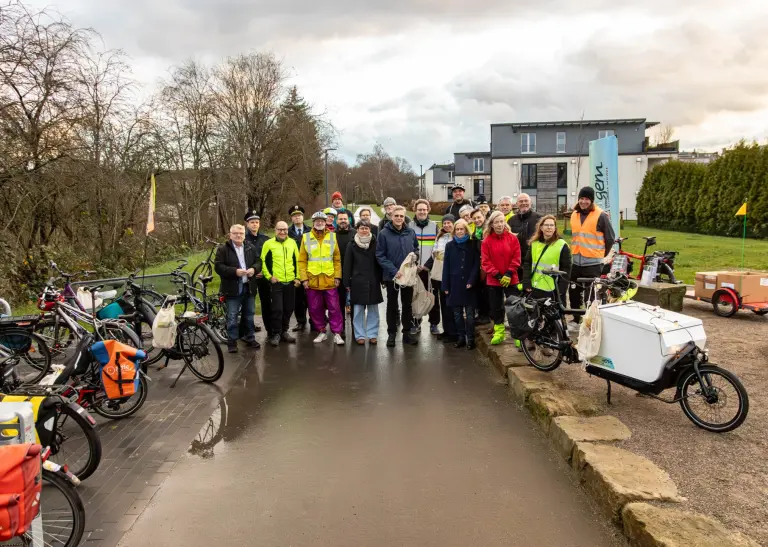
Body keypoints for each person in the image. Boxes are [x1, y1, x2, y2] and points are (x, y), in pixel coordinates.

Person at [298, 211, 345, 345]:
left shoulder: (332, 237)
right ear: (313, 223)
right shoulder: (306, 237)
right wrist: (304, 279)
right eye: (317, 221)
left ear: (326, 223)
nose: (319, 223)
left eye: (322, 221)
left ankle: (337, 333)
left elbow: (337, 259)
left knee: (334, 308)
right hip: (312, 280)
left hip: (329, 279)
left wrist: (337, 276)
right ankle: (322, 331)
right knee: (314, 308)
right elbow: (302, 260)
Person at [375, 205, 419, 347]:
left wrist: (416, 256)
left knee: (407, 305)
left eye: (401, 216)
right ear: (391, 216)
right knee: (392, 305)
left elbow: (416, 248)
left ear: (404, 217)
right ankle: (391, 334)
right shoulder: (383, 233)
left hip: (408, 276)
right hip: (392, 276)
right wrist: (394, 271)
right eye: (396, 216)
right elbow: (380, 255)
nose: (399, 218)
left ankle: (406, 333)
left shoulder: (410, 232)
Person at [215, 224, 261, 353]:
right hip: (232, 288)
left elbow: (258, 261)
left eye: (241, 233)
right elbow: (218, 267)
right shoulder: (223, 249)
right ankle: (232, 341)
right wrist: (235, 271)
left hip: (248, 287)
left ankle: (250, 338)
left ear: (244, 235)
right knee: (232, 316)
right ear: (230, 235)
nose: (238, 235)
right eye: (235, 233)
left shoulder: (250, 247)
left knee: (249, 315)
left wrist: (254, 269)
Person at [569, 187, 615, 319]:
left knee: (591, 295)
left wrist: (601, 254)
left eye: (587, 199)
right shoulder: (574, 214)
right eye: (581, 198)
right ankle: (576, 319)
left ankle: (590, 320)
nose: (584, 201)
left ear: (592, 200)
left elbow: (610, 238)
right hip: (576, 261)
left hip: (593, 263)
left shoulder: (601, 215)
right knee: (573, 292)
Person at [481, 211, 521, 345]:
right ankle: (499, 332)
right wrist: (497, 275)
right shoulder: (486, 241)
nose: (499, 224)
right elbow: (486, 262)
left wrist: (509, 273)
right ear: (491, 224)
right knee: (496, 307)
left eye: (501, 221)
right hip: (494, 280)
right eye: (496, 222)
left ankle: (517, 335)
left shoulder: (512, 238)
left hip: (511, 278)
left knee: (514, 307)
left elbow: (516, 257)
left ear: (505, 222)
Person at [260, 221, 300, 347]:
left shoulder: (292, 242)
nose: (282, 232)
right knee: (277, 309)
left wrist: (298, 277)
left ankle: (284, 332)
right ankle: (276, 333)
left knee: (289, 308)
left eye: (285, 229)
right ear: (275, 230)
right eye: (279, 229)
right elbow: (263, 261)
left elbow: (298, 261)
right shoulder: (268, 244)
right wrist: (269, 276)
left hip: (290, 281)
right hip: (277, 282)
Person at [343, 220, 383, 345]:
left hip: (373, 280)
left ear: (370, 229)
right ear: (358, 229)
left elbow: (379, 261)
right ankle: (359, 335)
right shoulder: (352, 244)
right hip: (357, 281)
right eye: (362, 228)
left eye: (366, 228)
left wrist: (382, 279)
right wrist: (346, 282)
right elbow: (347, 264)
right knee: (358, 310)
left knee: (373, 310)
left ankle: (372, 334)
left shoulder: (375, 243)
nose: (364, 230)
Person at [442, 219, 479, 350]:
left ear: (466, 230)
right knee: (457, 314)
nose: (459, 231)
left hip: (469, 284)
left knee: (469, 315)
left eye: (461, 229)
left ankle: (471, 339)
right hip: (454, 283)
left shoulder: (472, 244)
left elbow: (476, 264)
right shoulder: (450, 245)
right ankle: (461, 337)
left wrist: (471, 280)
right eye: (457, 229)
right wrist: (445, 286)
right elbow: (446, 266)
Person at [522, 215, 572, 303]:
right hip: (535, 287)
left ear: (555, 228)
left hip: (553, 289)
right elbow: (527, 263)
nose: (549, 227)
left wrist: (561, 289)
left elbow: (566, 269)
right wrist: (526, 282)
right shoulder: (534, 244)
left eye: (552, 225)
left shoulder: (562, 245)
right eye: (546, 225)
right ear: (541, 227)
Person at [408, 199, 440, 335]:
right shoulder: (409, 226)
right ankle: (416, 322)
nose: (422, 212)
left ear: (428, 211)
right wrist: (414, 264)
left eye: (424, 209)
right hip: (414, 269)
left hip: (430, 268)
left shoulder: (434, 227)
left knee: (433, 296)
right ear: (415, 210)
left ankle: (434, 324)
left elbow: (437, 248)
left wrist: (427, 265)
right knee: (414, 297)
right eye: (419, 209)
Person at [424, 214, 458, 343]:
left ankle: (454, 332)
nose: (447, 225)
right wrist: (425, 266)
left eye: (449, 223)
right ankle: (447, 330)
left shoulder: (457, 236)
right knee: (443, 303)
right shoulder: (440, 237)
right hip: (439, 274)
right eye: (444, 223)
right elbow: (434, 255)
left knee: (451, 303)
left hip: (452, 275)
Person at [244, 210, 272, 337]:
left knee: (266, 303)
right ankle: (247, 331)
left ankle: (270, 330)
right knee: (248, 306)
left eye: (256, 222)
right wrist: (254, 271)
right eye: (252, 222)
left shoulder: (266, 239)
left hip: (264, 277)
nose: (254, 224)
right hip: (249, 277)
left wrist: (264, 272)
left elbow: (269, 258)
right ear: (247, 224)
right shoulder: (243, 239)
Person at [507, 193, 542, 283]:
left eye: (526, 201)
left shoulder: (539, 219)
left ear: (530, 203)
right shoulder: (511, 220)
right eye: (521, 201)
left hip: (533, 260)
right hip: (516, 262)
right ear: (517, 204)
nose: (524, 203)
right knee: (517, 290)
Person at [287, 205, 310, 331]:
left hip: (309, 267)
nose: (297, 217)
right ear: (291, 218)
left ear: (303, 217)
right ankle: (301, 321)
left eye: (299, 215)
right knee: (298, 297)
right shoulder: (288, 233)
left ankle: (315, 320)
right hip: (294, 268)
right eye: (294, 216)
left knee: (311, 297)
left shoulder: (310, 230)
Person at [335, 210, 357, 334]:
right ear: (336, 221)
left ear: (349, 220)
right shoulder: (332, 235)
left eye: (345, 219)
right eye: (340, 219)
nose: (343, 221)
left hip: (353, 274)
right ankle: (340, 328)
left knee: (354, 303)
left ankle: (356, 329)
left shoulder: (355, 234)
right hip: (338, 274)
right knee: (339, 303)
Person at [470, 207, 491, 325]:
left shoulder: (487, 231)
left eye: (479, 217)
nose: (477, 220)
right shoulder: (476, 232)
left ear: (484, 217)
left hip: (488, 265)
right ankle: (482, 314)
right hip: (480, 264)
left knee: (487, 291)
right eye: (474, 218)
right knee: (480, 290)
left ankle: (487, 316)